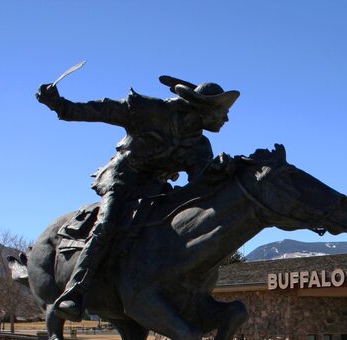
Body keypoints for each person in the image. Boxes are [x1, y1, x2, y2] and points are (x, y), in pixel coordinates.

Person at [36, 76, 239, 321]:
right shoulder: (151, 111)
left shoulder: (200, 146)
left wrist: (223, 173)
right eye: (222, 111)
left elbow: (201, 187)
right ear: (203, 109)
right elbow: (103, 110)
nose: (226, 118)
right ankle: (76, 290)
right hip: (122, 179)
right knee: (107, 223)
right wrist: (60, 105)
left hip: (156, 189)